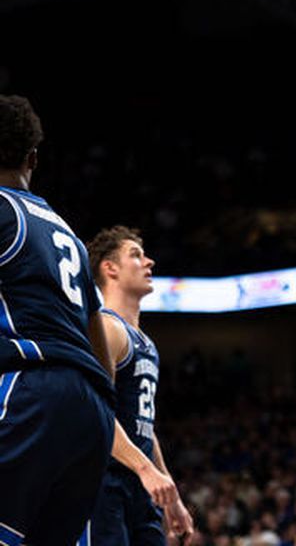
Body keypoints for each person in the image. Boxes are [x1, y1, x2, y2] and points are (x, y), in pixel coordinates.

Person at [0, 94, 116, 544]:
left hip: (31, 390)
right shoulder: (65, 229)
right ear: (32, 157)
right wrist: (103, 403)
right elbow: (97, 328)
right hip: (91, 412)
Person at [82, 226, 194, 545]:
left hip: (138, 485)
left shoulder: (146, 343)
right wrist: (146, 470)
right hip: (104, 482)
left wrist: (172, 495)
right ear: (110, 268)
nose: (149, 262)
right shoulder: (106, 327)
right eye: (136, 255)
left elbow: (143, 426)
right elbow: (97, 413)